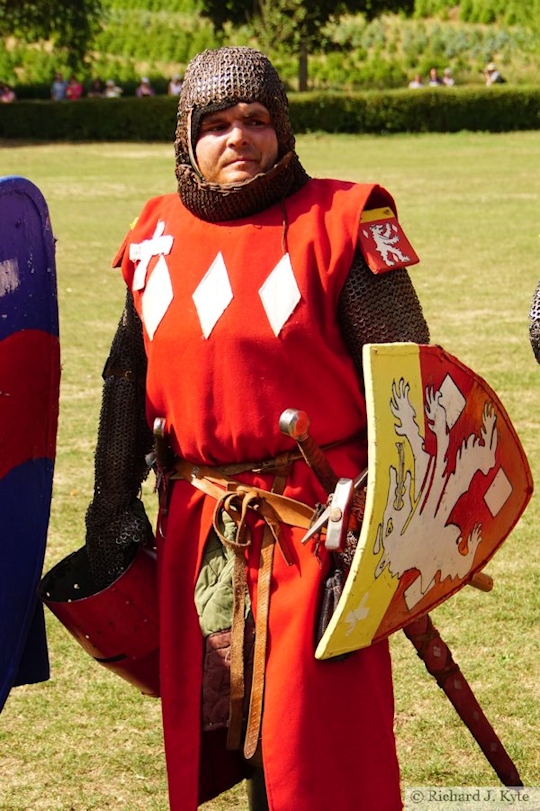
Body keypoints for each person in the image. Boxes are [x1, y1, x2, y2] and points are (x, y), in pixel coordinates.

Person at [84, 46, 429, 811]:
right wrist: (112, 503)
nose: (238, 138)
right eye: (216, 124)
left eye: (255, 119)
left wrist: (377, 530)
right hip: (201, 531)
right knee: (223, 734)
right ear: (187, 140)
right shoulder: (155, 236)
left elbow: (414, 393)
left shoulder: (344, 221)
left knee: (319, 756)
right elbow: (126, 380)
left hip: (318, 533)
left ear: (283, 129)